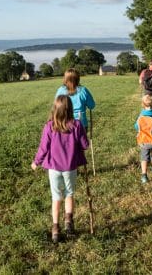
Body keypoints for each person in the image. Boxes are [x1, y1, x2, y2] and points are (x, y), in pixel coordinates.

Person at [31, 95, 89, 243]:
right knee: (69, 193)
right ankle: (69, 223)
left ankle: (55, 229)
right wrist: (82, 133)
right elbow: (85, 145)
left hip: (54, 168)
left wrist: (36, 162)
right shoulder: (76, 125)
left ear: (55, 109)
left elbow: (43, 148)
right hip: (70, 167)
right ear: (70, 109)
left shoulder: (50, 126)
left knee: (56, 197)